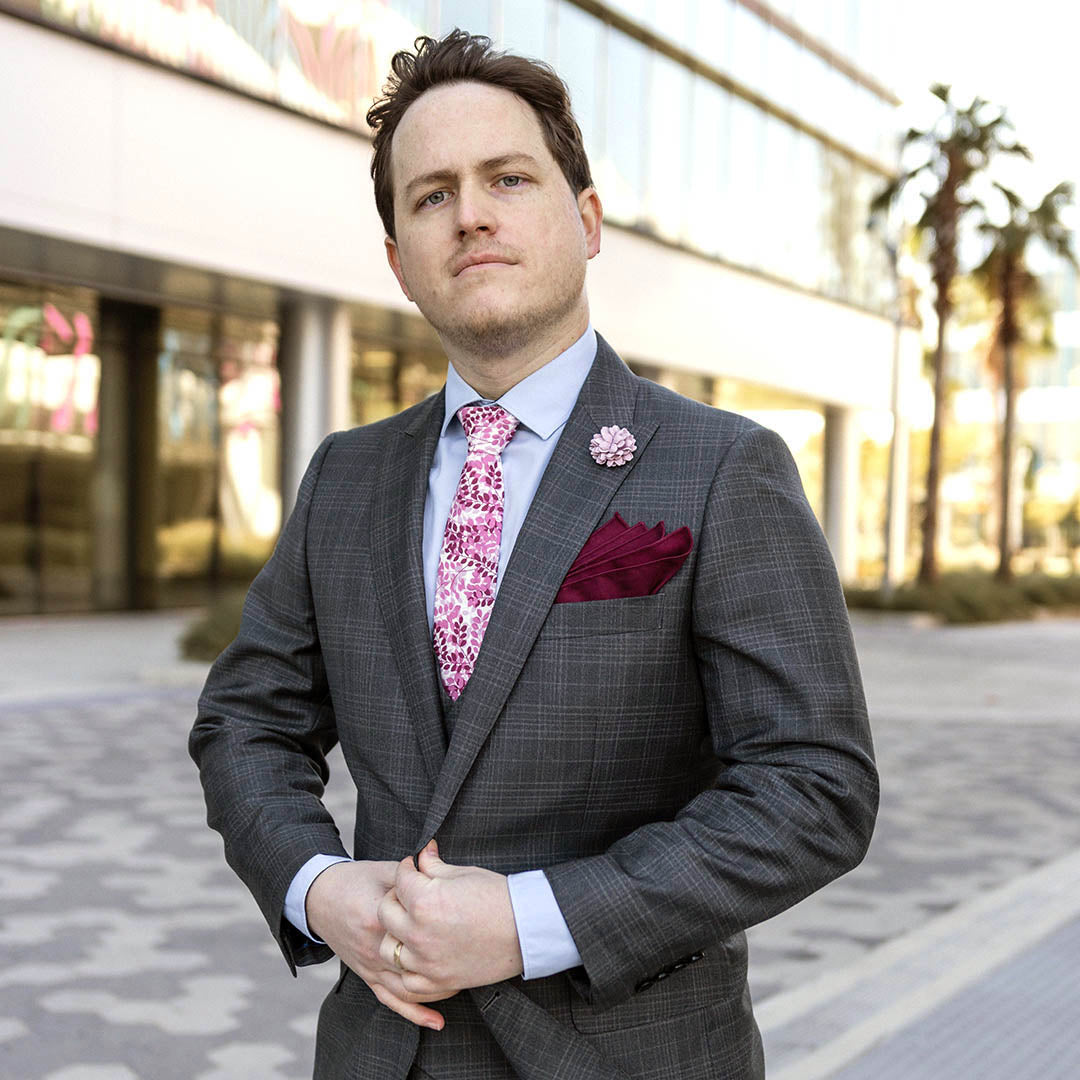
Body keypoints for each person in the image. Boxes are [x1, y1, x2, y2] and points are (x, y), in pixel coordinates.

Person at [190, 29, 878, 1080]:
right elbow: (246, 721)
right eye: (431, 196)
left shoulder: (720, 467)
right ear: (399, 262)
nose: (470, 214)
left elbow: (814, 786)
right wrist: (320, 887)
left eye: (507, 179)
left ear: (587, 221)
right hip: (385, 1052)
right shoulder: (345, 476)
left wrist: (528, 920)